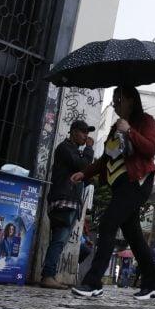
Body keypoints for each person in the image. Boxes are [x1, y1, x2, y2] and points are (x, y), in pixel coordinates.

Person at [70, 86, 155, 300]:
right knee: (134, 236)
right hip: (119, 185)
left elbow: (150, 149)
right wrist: (84, 173)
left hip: (137, 182)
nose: (115, 104)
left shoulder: (145, 121)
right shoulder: (114, 128)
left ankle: (93, 282)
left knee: (108, 224)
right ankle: (154, 282)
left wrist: (129, 130)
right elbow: (106, 159)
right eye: (113, 100)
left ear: (130, 99)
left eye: (118, 99)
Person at [39, 120, 95, 289]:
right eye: (83, 132)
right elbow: (83, 165)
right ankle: (48, 276)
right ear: (73, 131)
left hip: (71, 202)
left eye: (87, 132)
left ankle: (49, 274)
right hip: (63, 201)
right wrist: (89, 149)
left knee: (60, 240)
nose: (86, 136)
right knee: (59, 239)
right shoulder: (65, 148)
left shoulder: (74, 150)